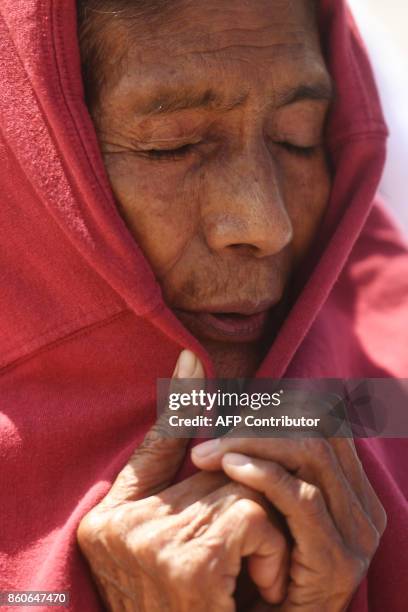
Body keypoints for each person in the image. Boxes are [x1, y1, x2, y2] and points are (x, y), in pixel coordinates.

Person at [0, 0, 407, 611]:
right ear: (31, 171)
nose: (264, 223)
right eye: (172, 146)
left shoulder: (384, 391)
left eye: (297, 140)